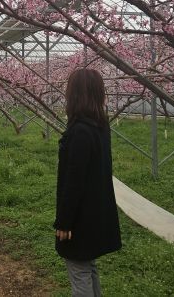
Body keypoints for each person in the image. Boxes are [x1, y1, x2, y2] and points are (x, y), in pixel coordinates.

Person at [54, 68, 122, 297]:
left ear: (74, 95)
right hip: (96, 212)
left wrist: (64, 222)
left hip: (80, 217)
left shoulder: (80, 132)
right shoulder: (100, 127)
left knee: (79, 269)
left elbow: (74, 182)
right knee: (87, 266)